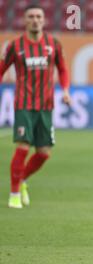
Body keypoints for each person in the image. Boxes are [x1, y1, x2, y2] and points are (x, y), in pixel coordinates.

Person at [0, 4, 71, 209]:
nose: (35, 20)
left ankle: (21, 179)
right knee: (23, 146)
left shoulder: (53, 44)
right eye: (31, 16)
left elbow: (63, 69)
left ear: (43, 20)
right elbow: (2, 68)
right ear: (25, 20)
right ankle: (14, 193)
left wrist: (66, 90)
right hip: (24, 104)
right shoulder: (15, 46)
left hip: (46, 106)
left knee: (43, 153)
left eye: (38, 16)